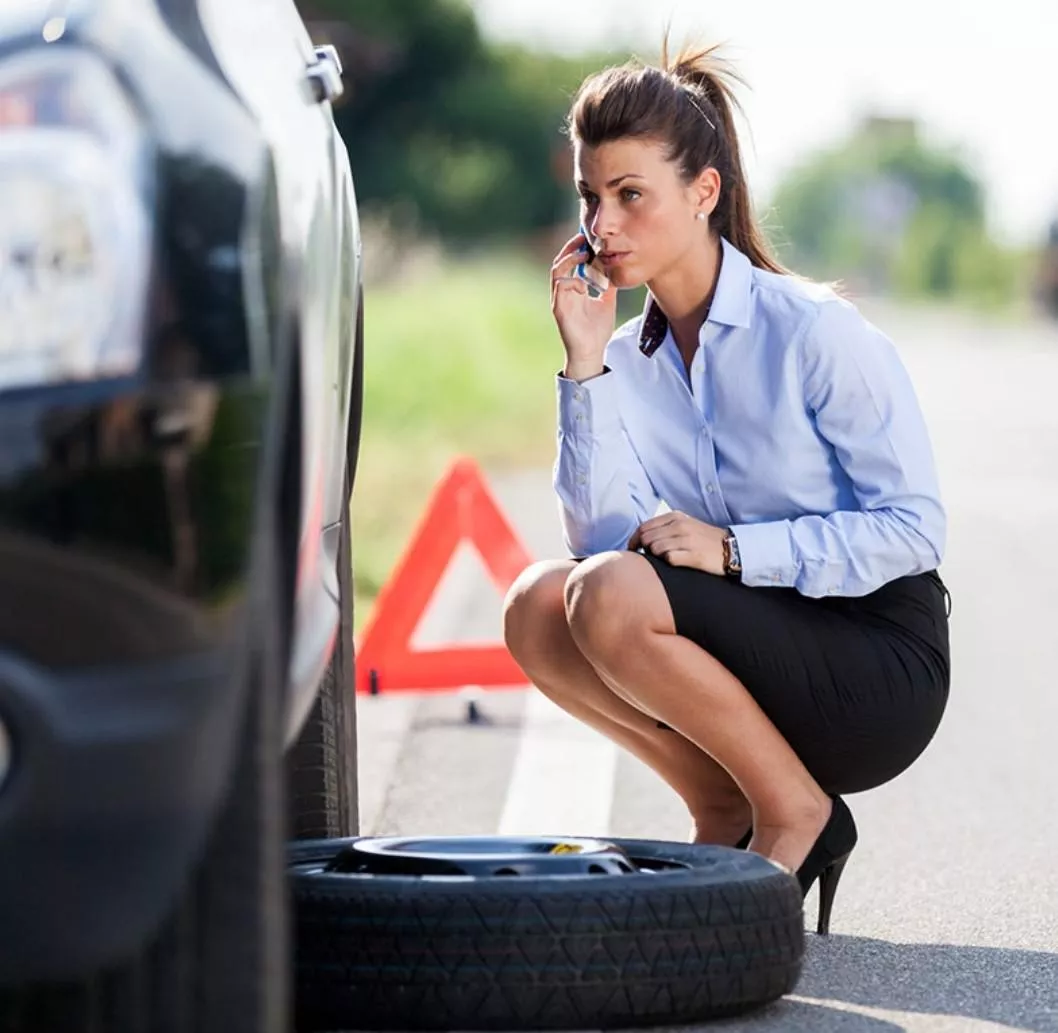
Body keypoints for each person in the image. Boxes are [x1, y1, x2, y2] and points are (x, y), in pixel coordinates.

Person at [502, 40, 951, 936]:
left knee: (606, 593)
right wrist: (585, 364)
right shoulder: (626, 360)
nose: (603, 224)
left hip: (874, 658)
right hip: (754, 639)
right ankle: (725, 804)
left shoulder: (814, 331)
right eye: (591, 196)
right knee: (540, 606)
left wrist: (736, 550)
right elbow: (600, 548)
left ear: (704, 192)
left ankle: (795, 812)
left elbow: (914, 529)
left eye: (631, 194)